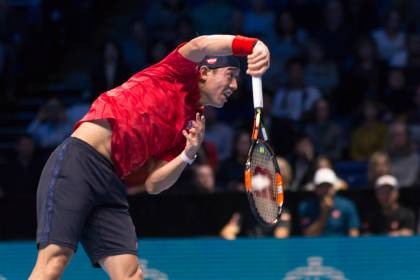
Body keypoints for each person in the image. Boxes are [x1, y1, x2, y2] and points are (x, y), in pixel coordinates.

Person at [29, 35, 270, 279]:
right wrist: (252, 45)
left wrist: (187, 155)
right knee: (54, 262)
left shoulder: (192, 123)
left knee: (131, 275)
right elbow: (199, 44)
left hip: (111, 182)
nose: (235, 86)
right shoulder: (175, 72)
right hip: (80, 161)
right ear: (205, 72)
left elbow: (154, 184)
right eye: (230, 74)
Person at [299, 168, 360, 237]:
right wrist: (324, 214)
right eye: (321, 186)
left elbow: (354, 235)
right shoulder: (305, 206)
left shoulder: (347, 205)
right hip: (315, 247)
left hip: (341, 247)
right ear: (316, 188)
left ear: (334, 187)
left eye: (328, 186)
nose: (325, 190)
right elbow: (308, 236)